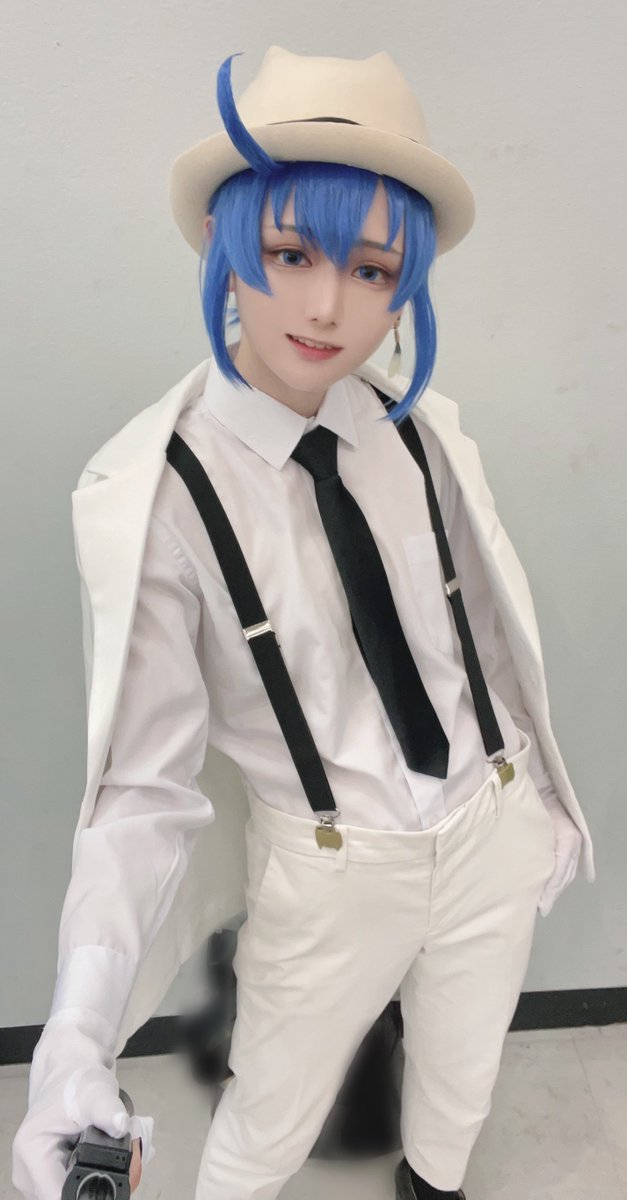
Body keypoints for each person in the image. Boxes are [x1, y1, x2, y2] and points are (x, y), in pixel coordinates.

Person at [13, 45, 595, 1200]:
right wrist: (73, 1040)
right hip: (333, 871)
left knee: (463, 1076)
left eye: (372, 269)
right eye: (290, 253)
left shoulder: (419, 432)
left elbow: (480, 628)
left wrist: (539, 798)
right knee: (266, 1119)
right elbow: (140, 792)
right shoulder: (160, 497)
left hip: (489, 827)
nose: (328, 306)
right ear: (226, 245)